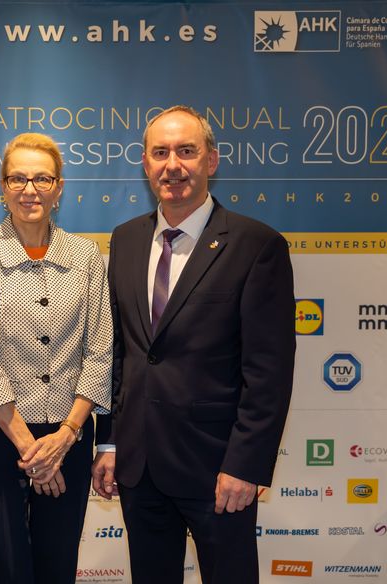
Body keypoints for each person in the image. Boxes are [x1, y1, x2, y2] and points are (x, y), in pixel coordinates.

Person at [92, 105, 296, 584]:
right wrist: (110, 441)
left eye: (187, 151)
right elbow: (118, 351)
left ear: (212, 161)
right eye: (160, 153)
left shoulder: (256, 245)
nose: (173, 165)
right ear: (144, 164)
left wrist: (246, 465)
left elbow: (268, 371)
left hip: (218, 471)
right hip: (139, 468)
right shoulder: (125, 240)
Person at [0, 132, 113, 584]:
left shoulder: (86, 256)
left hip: (70, 434)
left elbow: (100, 352)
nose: (30, 190)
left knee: (56, 565)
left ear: (60, 187)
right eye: (18, 179)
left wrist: (63, 439)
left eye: (42, 179)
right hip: (0, 434)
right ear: (2, 189)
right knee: (2, 566)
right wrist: (32, 451)